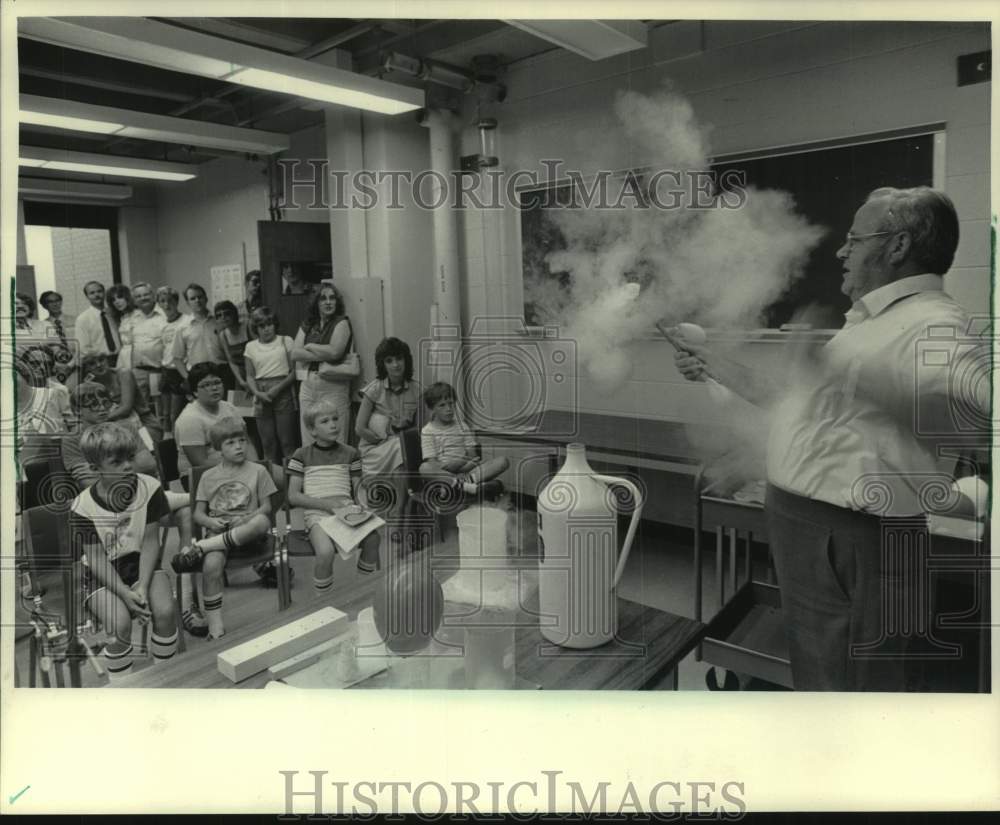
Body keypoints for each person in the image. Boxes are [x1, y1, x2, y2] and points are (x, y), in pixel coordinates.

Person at [674, 186, 991, 692]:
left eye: (854, 239)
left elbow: (972, 424)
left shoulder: (935, 322)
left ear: (898, 246)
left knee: (851, 689)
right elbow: (807, 404)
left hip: (850, 541)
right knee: (824, 676)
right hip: (818, 537)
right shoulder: (875, 322)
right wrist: (716, 366)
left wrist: (843, 374)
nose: (842, 252)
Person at [68, 422, 179, 680]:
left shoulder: (149, 487)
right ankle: (122, 687)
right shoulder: (81, 507)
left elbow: (152, 541)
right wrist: (125, 594)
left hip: (140, 562)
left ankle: (167, 677)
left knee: (164, 611)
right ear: (95, 469)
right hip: (101, 572)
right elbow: (95, 558)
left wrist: (141, 587)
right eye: (116, 462)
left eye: (129, 458)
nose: (128, 466)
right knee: (119, 625)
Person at [173, 417, 276, 639]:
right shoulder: (208, 477)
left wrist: (248, 516)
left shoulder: (258, 471)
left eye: (242, 440)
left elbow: (266, 508)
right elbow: (198, 514)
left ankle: (202, 546)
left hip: (249, 529)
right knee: (211, 566)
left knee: (262, 522)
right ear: (218, 448)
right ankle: (215, 627)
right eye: (230, 443)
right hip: (219, 531)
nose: (239, 446)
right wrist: (211, 522)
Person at [287, 398, 380, 599]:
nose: (333, 424)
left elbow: (358, 489)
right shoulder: (302, 455)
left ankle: (364, 587)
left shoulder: (351, 453)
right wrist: (327, 505)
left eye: (335, 419)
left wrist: (364, 507)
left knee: (373, 538)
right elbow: (293, 496)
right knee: (325, 551)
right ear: (312, 430)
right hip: (317, 513)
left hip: (346, 510)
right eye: (325, 421)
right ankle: (324, 600)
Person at [356, 337, 422, 526]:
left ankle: (399, 511)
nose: (395, 365)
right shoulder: (374, 389)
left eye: (399, 359)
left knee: (403, 455)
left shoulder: (417, 390)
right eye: (389, 360)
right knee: (401, 448)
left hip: (401, 448)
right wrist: (383, 437)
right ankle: (400, 510)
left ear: (406, 360)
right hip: (374, 450)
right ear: (382, 364)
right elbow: (359, 428)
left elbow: (418, 430)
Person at [290, 283, 354, 447]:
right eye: (323, 298)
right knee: (309, 438)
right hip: (308, 385)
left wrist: (310, 347)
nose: (328, 302)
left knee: (335, 438)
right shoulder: (309, 323)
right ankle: (314, 472)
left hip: (333, 385)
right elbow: (295, 353)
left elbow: (335, 353)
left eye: (332, 298)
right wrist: (324, 352)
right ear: (316, 303)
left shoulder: (342, 322)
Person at [419, 382, 508, 497]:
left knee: (502, 461)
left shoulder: (462, 426)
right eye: (442, 405)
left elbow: (473, 456)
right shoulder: (427, 431)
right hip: (443, 474)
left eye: (451, 404)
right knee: (424, 468)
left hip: (467, 472)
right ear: (432, 409)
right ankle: (466, 486)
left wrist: (463, 468)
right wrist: (458, 463)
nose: (449, 409)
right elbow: (432, 463)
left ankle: (458, 485)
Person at [173, 362, 255, 476]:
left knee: (285, 478)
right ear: (195, 392)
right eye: (206, 385)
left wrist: (257, 466)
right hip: (204, 477)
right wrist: (242, 467)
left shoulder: (229, 408)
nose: (214, 388)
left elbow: (247, 443)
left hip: (238, 467)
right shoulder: (189, 419)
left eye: (217, 382)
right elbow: (201, 463)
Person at [244, 306, 298, 467]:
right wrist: (257, 393)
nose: (266, 329)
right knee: (267, 444)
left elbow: (295, 372)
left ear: (275, 324)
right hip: (261, 393)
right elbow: (249, 375)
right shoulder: (250, 347)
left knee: (287, 442)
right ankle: (273, 485)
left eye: (269, 324)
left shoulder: (286, 341)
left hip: (283, 390)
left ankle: (292, 481)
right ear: (256, 328)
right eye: (261, 326)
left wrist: (277, 389)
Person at [80, 351, 162, 443]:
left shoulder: (123, 373)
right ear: (87, 369)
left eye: (101, 360)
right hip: (115, 428)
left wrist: (101, 420)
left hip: (143, 423)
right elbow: (90, 412)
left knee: (144, 452)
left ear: (107, 360)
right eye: (92, 364)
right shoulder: (91, 384)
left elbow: (126, 409)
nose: (99, 365)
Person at [170, 283, 229, 391]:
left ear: (206, 298)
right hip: (198, 376)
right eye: (193, 298)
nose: (197, 300)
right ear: (188, 303)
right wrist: (188, 378)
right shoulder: (182, 327)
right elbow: (177, 358)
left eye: (200, 297)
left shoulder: (219, 321)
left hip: (222, 372)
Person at [123, 282, 167, 421]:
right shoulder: (130, 318)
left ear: (153, 295)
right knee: (140, 408)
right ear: (134, 300)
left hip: (158, 370)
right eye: (138, 296)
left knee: (161, 409)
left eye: (146, 294)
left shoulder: (164, 315)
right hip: (138, 371)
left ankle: (163, 438)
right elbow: (127, 343)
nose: (143, 298)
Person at [156, 286, 193, 433]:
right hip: (166, 371)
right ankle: (168, 443)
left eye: (170, 301)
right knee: (165, 414)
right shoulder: (161, 323)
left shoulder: (187, 321)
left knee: (175, 414)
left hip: (180, 370)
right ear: (158, 303)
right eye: (162, 301)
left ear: (176, 302)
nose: (166, 305)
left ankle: (179, 445)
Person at [74, 280, 120, 362]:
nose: (97, 295)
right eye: (92, 293)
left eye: (99, 291)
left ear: (104, 293)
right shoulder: (83, 319)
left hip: (120, 359)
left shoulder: (113, 313)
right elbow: (83, 348)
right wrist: (102, 356)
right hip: (99, 361)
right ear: (87, 296)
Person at [38, 290, 77, 383]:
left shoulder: (76, 320)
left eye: (57, 300)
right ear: (44, 305)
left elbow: (83, 344)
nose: (55, 304)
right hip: (56, 369)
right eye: (50, 302)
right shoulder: (42, 326)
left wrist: (71, 364)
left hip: (77, 364)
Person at [214, 300, 252, 392]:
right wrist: (241, 381)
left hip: (256, 372)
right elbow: (231, 361)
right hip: (241, 376)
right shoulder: (223, 335)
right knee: (242, 405)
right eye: (219, 315)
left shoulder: (248, 325)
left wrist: (251, 378)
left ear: (234, 314)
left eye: (227, 314)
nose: (223, 318)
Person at [106, 284, 136, 367]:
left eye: (120, 297)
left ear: (127, 297)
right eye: (113, 300)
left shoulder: (138, 314)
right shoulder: (121, 318)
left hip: (136, 354)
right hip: (124, 355)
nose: (117, 302)